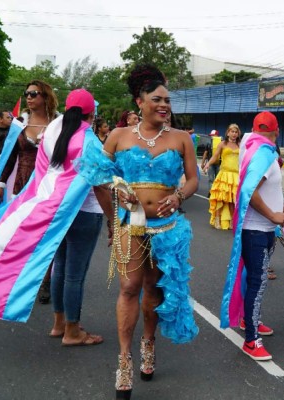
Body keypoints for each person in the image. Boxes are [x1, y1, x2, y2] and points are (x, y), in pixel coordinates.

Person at [75, 64, 198, 400]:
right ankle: (125, 360)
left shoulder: (181, 138)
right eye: (157, 99)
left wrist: (178, 196)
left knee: (152, 291)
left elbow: (193, 180)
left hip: (167, 226)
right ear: (139, 102)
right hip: (133, 220)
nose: (164, 105)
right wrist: (117, 189)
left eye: (167, 100)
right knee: (129, 286)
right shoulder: (119, 137)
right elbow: (98, 172)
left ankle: (149, 342)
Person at [39, 89, 111, 346]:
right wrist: (113, 221)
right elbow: (101, 186)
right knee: (74, 275)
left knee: (60, 268)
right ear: (92, 114)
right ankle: (73, 331)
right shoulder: (90, 141)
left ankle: (59, 324)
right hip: (84, 214)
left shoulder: (58, 134)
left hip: (59, 212)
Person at [220, 111, 284, 361]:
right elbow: (249, 190)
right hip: (257, 230)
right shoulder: (265, 154)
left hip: (263, 228)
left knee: (253, 280)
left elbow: (268, 187)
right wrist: (272, 215)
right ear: (277, 131)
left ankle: (250, 320)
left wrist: (280, 209)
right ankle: (251, 340)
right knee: (258, 284)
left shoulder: (252, 146)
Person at [0, 80, 58, 305]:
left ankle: (45, 280)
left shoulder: (57, 124)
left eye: (34, 94)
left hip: (48, 187)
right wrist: (1, 184)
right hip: (22, 185)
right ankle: (19, 278)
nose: (29, 98)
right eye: (27, 94)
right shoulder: (19, 123)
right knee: (20, 233)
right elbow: (11, 155)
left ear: (45, 96)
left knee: (45, 235)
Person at [203, 123, 241, 229]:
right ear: (228, 133)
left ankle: (233, 221)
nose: (234, 134)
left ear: (238, 134)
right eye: (232, 131)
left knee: (233, 200)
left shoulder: (241, 145)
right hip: (224, 174)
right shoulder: (222, 144)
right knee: (221, 198)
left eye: (236, 132)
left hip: (235, 176)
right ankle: (217, 220)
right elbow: (215, 157)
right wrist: (207, 164)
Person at [201, 129, 221, 197]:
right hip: (216, 163)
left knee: (213, 179)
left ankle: (212, 193)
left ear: (217, 135)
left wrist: (203, 163)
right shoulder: (221, 142)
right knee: (215, 179)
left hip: (213, 163)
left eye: (213, 135)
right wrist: (203, 163)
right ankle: (214, 192)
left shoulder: (210, 143)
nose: (212, 137)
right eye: (211, 135)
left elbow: (205, 154)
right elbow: (205, 153)